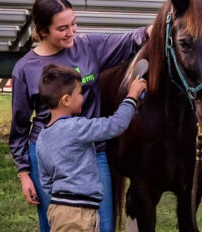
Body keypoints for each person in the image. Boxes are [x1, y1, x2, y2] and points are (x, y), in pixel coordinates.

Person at [9, 0, 152, 232]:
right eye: (62, 28)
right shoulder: (24, 69)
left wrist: (160, 24)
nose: (71, 32)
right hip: (48, 155)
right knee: (57, 224)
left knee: (102, 225)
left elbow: (131, 40)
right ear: (43, 31)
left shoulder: (88, 46)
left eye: (73, 23)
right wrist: (25, 173)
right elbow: (20, 126)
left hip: (93, 151)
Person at [36, 64, 146, 232]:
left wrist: (62, 199)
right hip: (78, 213)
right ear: (66, 100)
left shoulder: (42, 136)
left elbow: (45, 179)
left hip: (59, 210)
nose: (82, 97)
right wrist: (132, 96)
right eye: (79, 93)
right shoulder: (76, 128)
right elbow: (114, 125)